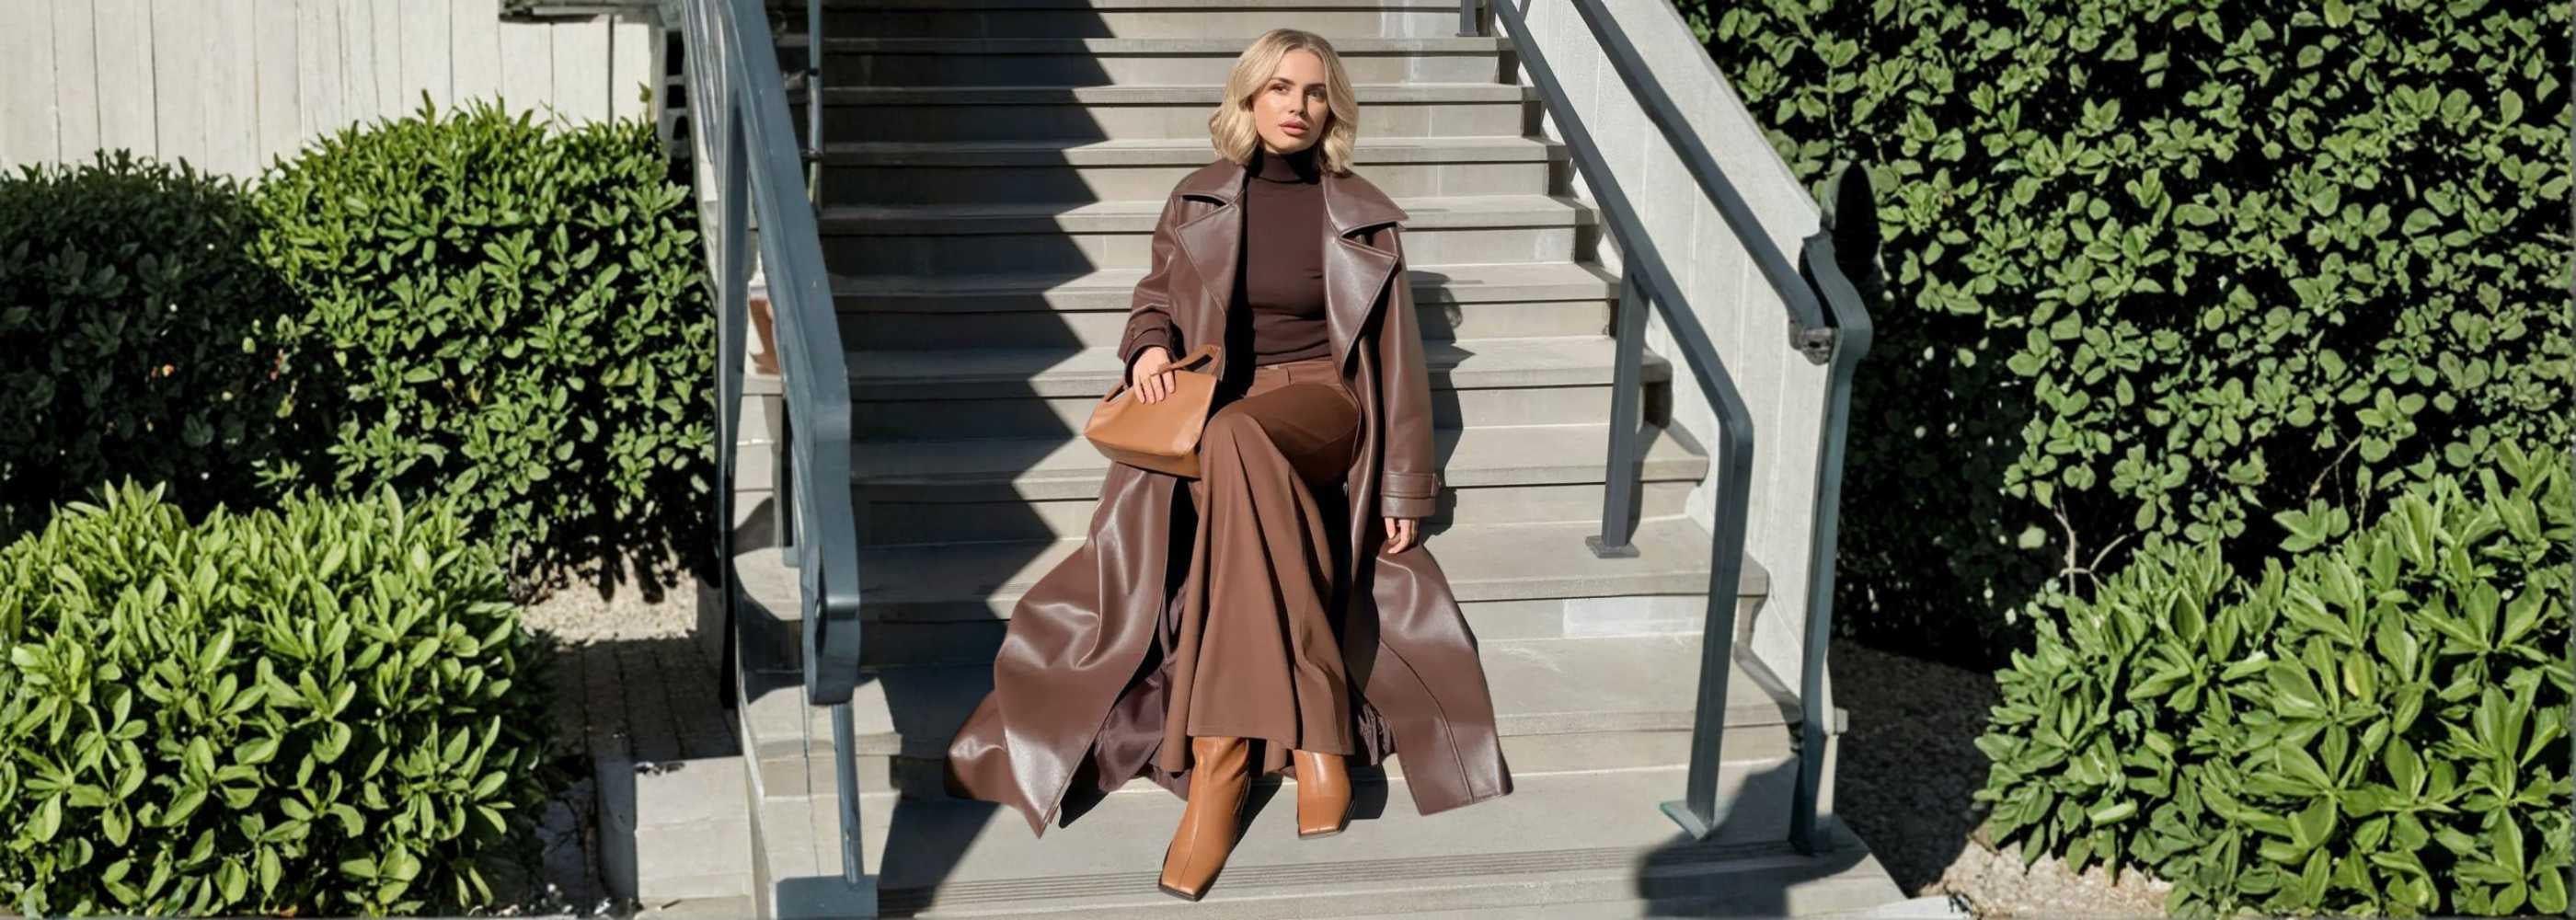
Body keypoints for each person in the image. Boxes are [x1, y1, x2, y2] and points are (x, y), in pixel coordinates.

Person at [944, 27, 1514, 902]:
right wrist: (1145, 348)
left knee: (1238, 443)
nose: (1297, 106)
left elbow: (1399, 365)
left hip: (1322, 406)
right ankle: (1312, 734)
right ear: (1248, 100)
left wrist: (1406, 483)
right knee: (1231, 449)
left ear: (1334, 109)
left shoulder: (1360, 213)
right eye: (1280, 88)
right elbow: (1154, 298)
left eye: (1315, 92)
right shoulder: (1199, 199)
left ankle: (1216, 771)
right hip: (1218, 405)